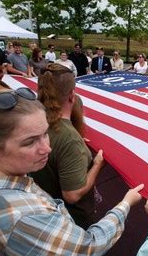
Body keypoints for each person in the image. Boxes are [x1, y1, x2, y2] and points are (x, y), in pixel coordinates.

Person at [0, 90, 145, 256]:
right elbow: (87, 248)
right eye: (30, 141)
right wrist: (124, 206)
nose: (47, 148)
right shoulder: (23, 217)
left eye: (44, 134)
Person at [31, 63, 103, 228]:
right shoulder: (69, 138)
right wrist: (98, 164)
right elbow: (72, 194)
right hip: (71, 221)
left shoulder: (34, 121)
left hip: (43, 208)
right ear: (72, 95)